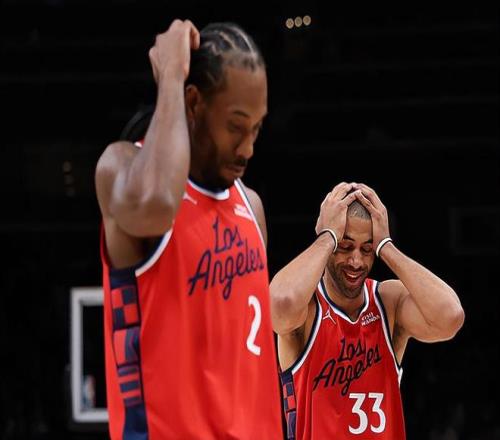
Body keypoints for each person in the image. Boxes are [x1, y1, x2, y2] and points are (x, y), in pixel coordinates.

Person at [95, 19, 283, 439]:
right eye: (235, 126)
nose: (248, 148)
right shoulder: (122, 168)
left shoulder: (251, 206)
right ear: (194, 102)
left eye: (256, 128)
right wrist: (171, 77)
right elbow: (158, 203)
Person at [270, 182, 465, 439]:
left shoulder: (388, 302)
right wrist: (326, 236)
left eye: (367, 249)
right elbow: (280, 305)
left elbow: (450, 316)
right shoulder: (307, 307)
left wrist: (387, 246)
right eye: (345, 246)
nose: (356, 261)